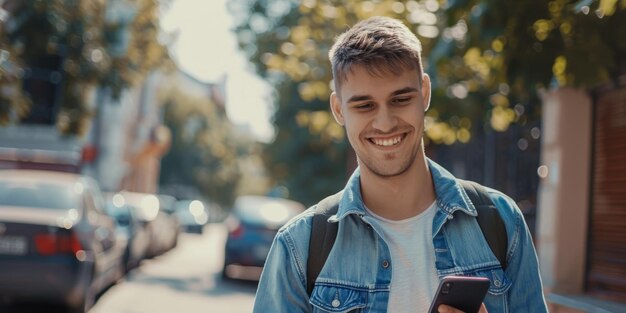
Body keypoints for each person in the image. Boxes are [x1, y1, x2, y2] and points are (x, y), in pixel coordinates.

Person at [253, 16, 548, 313]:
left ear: (424, 93)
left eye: (400, 99)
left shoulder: (501, 222)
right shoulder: (299, 246)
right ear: (339, 109)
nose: (385, 123)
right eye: (365, 105)